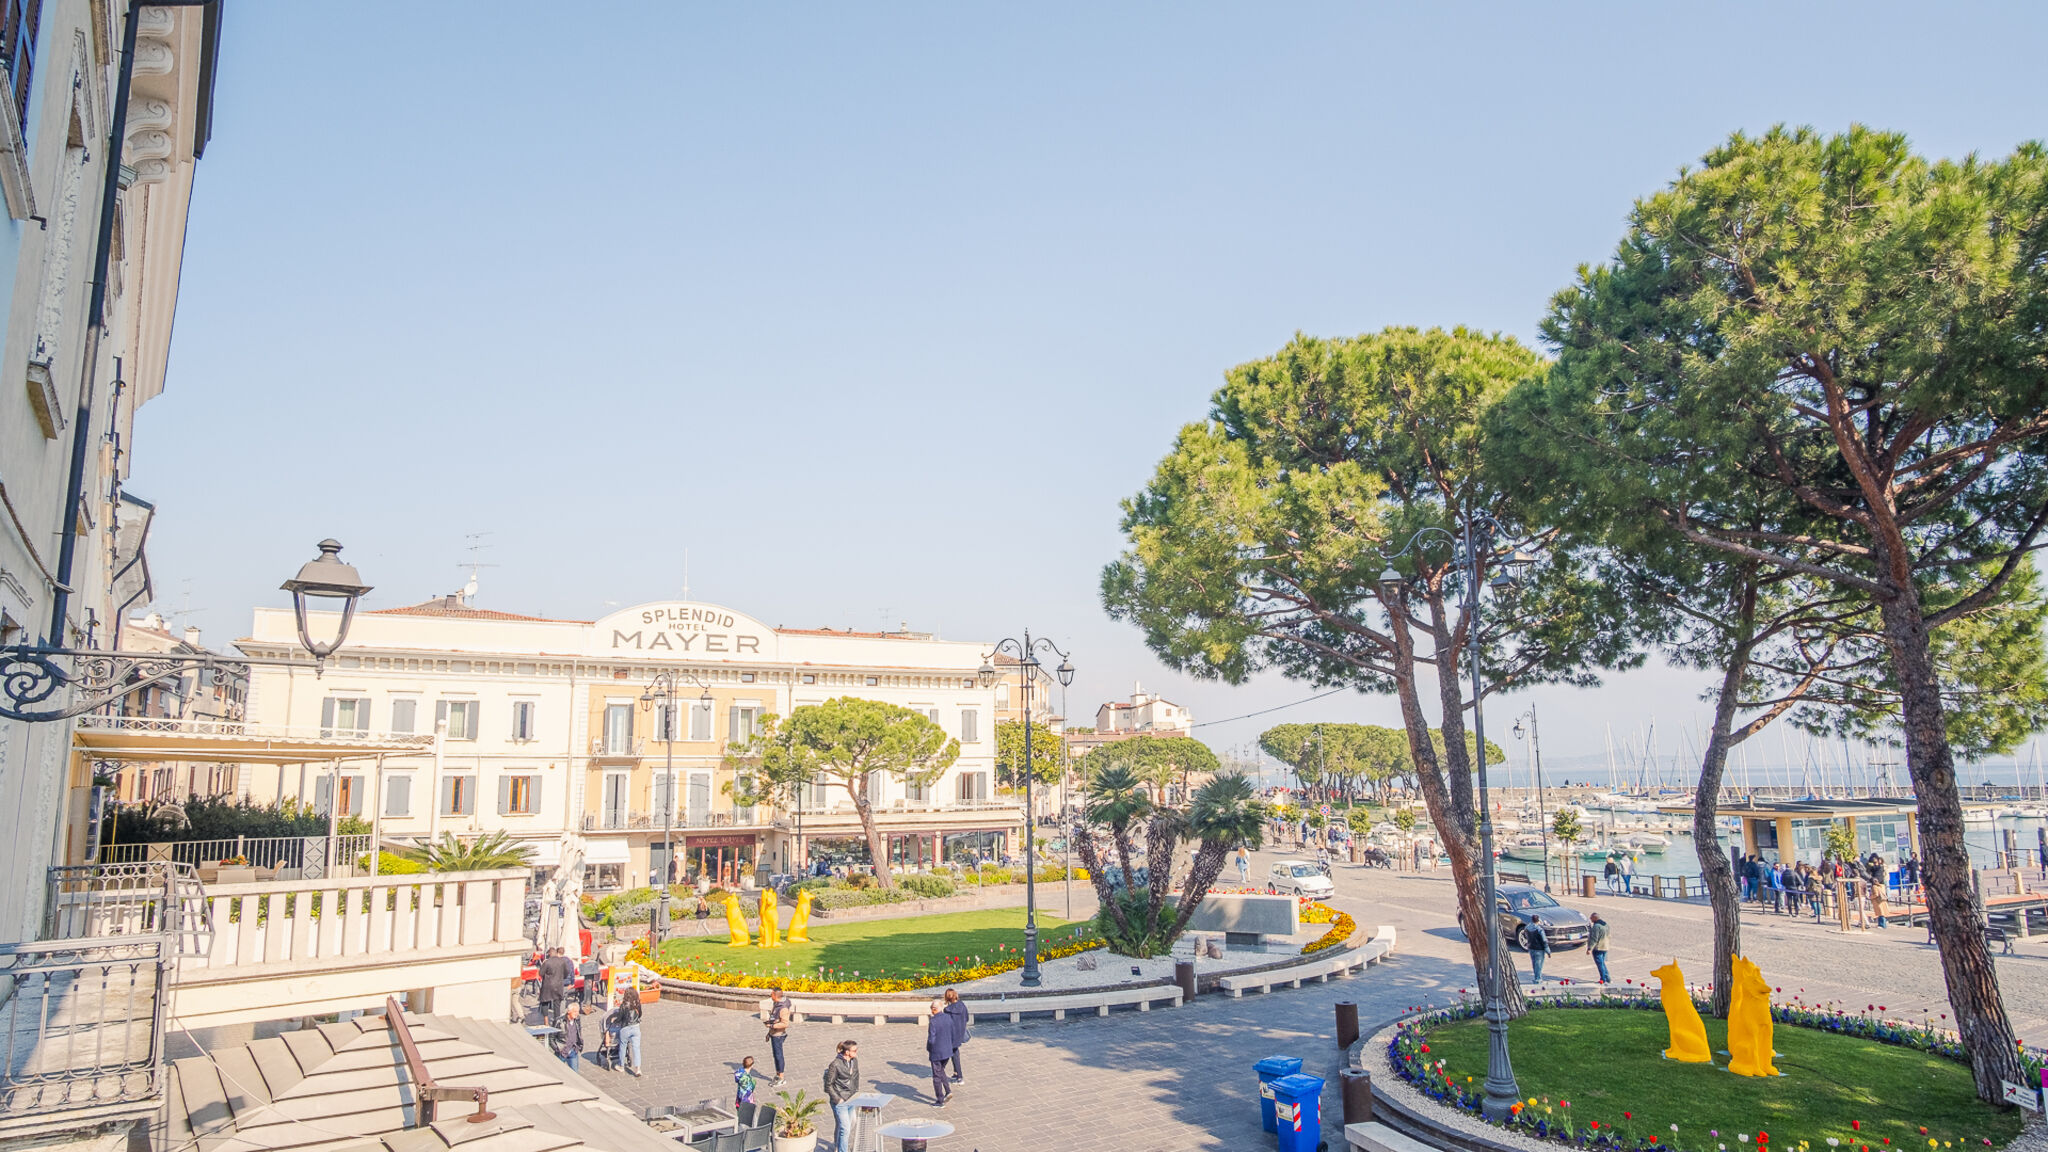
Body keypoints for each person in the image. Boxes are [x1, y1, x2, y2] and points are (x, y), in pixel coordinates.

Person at [824, 1040, 861, 1152]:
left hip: (851, 1098)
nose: (856, 1052)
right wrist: (837, 1099)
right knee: (845, 1128)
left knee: (850, 1124)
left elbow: (856, 1076)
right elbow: (828, 1085)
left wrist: (856, 1092)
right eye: (854, 1050)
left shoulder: (854, 1061)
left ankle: (839, 1146)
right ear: (847, 1052)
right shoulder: (835, 1064)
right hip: (840, 1100)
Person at [925, 1000, 957, 1107]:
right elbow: (953, 1033)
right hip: (947, 1051)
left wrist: (929, 1049)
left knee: (936, 1076)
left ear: (934, 1010)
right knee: (941, 1070)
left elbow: (931, 1040)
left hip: (936, 1052)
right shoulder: (948, 1018)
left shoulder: (933, 1022)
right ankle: (948, 1090)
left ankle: (940, 1100)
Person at [606, 985, 643, 1076]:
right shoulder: (637, 1003)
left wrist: (614, 1020)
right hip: (635, 1027)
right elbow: (640, 1014)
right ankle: (637, 1069)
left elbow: (620, 1018)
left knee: (622, 1046)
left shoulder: (624, 1005)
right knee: (636, 1048)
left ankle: (621, 1065)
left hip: (625, 1028)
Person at [537, 946, 576, 1029]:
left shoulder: (547, 962)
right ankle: (556, 1022)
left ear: (549, 954)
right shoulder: (562, 962)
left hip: (547, 985)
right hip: (558, 985)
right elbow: (567, 972)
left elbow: (541, 973)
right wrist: (561, 978)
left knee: (545, 1003)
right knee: (557, 1004)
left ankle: (546, 1021)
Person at [766, 988, 795, 1086]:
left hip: (778, 1035)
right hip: (773, 1033)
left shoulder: (783, 1008)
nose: (770, 996)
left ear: (775, 995)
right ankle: (778, 1074)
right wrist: (769, 1033)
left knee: (779, 1055)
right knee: (776, 1055)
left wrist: (772, 1026)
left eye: (772, 994)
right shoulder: (776, 1004)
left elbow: (785, 1023)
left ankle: (781, 1077)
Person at [942, 987, 969, 1083]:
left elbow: (946, 1023)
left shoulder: (947, 1010)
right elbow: (967, 1018)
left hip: (951, 1035)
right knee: (955, 1052)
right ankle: (956, 1073)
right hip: (960, 1033)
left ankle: (959, 1076)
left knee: (953, 1054)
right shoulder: (962, 1006)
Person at [557, 1002, 585, 1072]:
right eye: (575, 1011)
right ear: (569, 1011)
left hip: (573, 1051)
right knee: (559, 1073)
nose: (577, 1013)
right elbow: (552, 1037)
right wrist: (558, 1049)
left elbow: (578, 1033)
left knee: (575, 1074)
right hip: (562, 1051)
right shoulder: (559, 1021)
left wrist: (578, 1046)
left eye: (578, 1011)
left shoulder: (577, 1020)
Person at [1525, 914, 1550, 983]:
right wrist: (1548, 951)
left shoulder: (1527, 927)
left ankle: (1536, 977)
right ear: (1538, 920)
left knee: (1534, 964)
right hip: (1539, 949)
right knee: (1538, 965)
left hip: (1531, 948)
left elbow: (1526, 935)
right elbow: (1544, 940)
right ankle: (1538, 979)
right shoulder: (1539, 929)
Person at [1586, 912, 1611, 984]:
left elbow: (1594, 939)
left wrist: (1589, 949)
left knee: (1600, 964)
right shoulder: (1606, 924)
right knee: (1602, 963)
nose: (1590, 919)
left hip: (1598, 948)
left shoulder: (1596, 926)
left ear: (1595, 918)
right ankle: (1608, 978)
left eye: (1591, 917)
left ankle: (1603, 979)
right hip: (1605, 946)